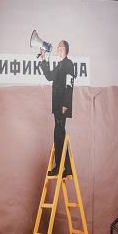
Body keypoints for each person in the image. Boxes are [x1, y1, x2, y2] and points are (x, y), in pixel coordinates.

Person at [39, 40, 75, 177]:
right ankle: (66, 167)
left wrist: (66, 104)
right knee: (60, 134)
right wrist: (43, 59)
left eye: (60, 45)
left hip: (62, 105)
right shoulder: (59, 65)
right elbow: (49, 76)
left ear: (64, 48)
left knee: (59, 134)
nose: (58, 47)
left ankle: (59, 167)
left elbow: (69, 84)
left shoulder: (69, 64)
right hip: (57, 105)